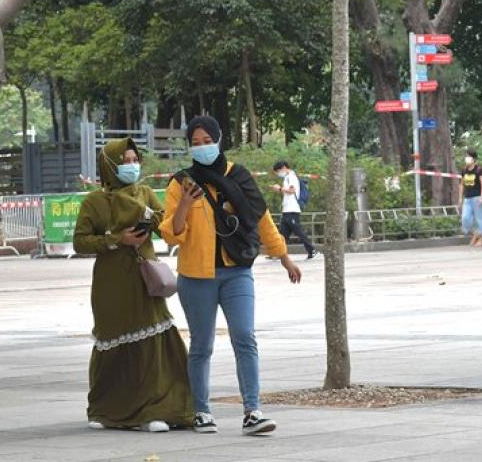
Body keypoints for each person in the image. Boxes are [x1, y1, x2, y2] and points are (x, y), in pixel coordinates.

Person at [160, 116, 302, 436]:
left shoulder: (238, 175)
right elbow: (172, 235)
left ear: (219, 139)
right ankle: (201, 411)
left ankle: (252, 411)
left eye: (206, 140)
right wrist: (185, 203)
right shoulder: (180, 182)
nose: (202, 147)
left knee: (244, 336)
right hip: (196, 277)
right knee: (201, 345)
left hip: (237, 271)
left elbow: (261, 219)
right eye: (194, 143)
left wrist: (284, 258)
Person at [73, 138, 193, 433]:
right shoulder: (94, 202)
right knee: (113, 339)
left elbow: (167, 228)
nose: (132, 165)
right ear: (111, 166)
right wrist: (117, 239)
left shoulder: (146, 193)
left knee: (153, 337)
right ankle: (106, 408)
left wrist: (169, 214)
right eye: (125, 160)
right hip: (112, 282)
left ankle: (154, 408)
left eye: (134, 159)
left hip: (144, 277)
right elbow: (80, 241)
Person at [271, 160, 316, 260]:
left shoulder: (291, 176)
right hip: (287, 209)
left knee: (298, 231)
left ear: (283, 168)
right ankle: (279, 253)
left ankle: (311, 250)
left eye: (278, 171)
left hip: (292, 209)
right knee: (283, 233)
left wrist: (279, 189)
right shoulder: (287, 177)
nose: (278, 174)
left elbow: (292, 190)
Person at [459, 149, 482, 247]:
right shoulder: (464, 170)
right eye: (466, 156)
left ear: (474, 159)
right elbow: (462, 184)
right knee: (465, 218)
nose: (466, 158)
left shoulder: (478, 170)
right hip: (467, 198)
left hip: (477, 197)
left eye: (469, 156)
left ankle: (480, 239)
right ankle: (475, 234)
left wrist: (481, 197)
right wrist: (460, 198)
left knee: (480, 219)